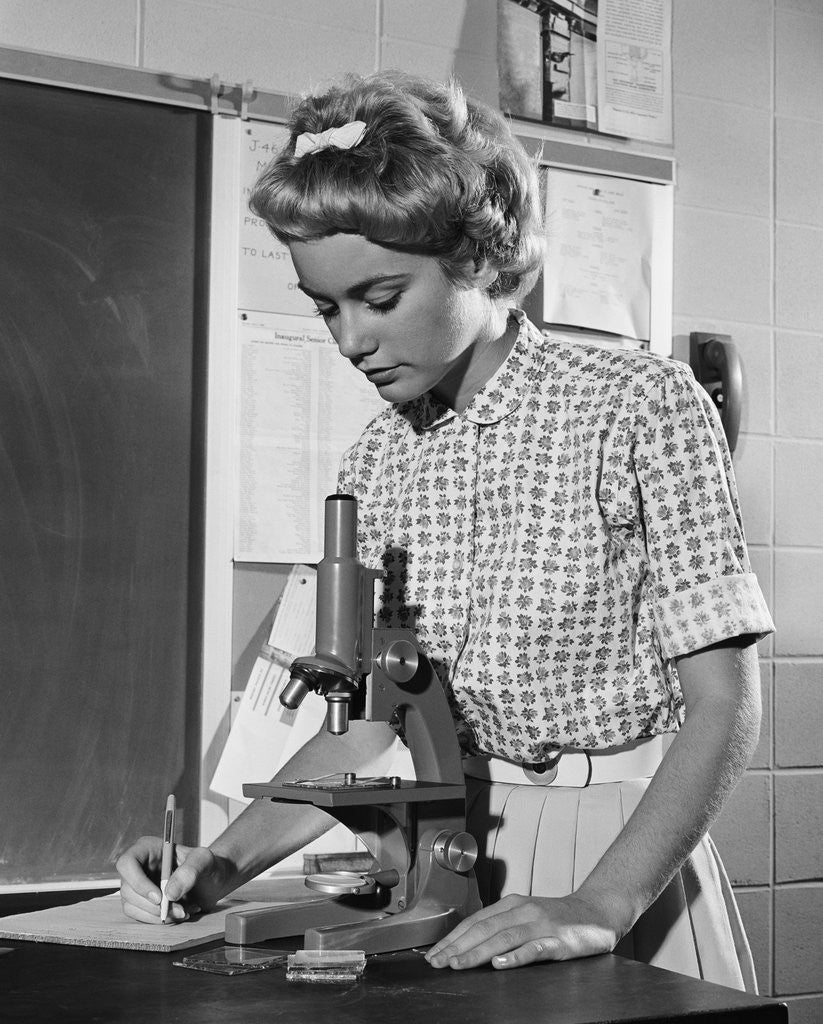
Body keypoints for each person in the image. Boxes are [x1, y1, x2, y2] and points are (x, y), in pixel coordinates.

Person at [116, 71, 774, 989]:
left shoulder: (638, 404)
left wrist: (601, 903)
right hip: (450, 856)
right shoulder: (376, 461)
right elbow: (368, 730)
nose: (348, 341)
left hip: (618, 856)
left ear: (479, 258)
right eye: (325, 307)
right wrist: (212, 870)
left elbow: (724, 703)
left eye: (378, 299)